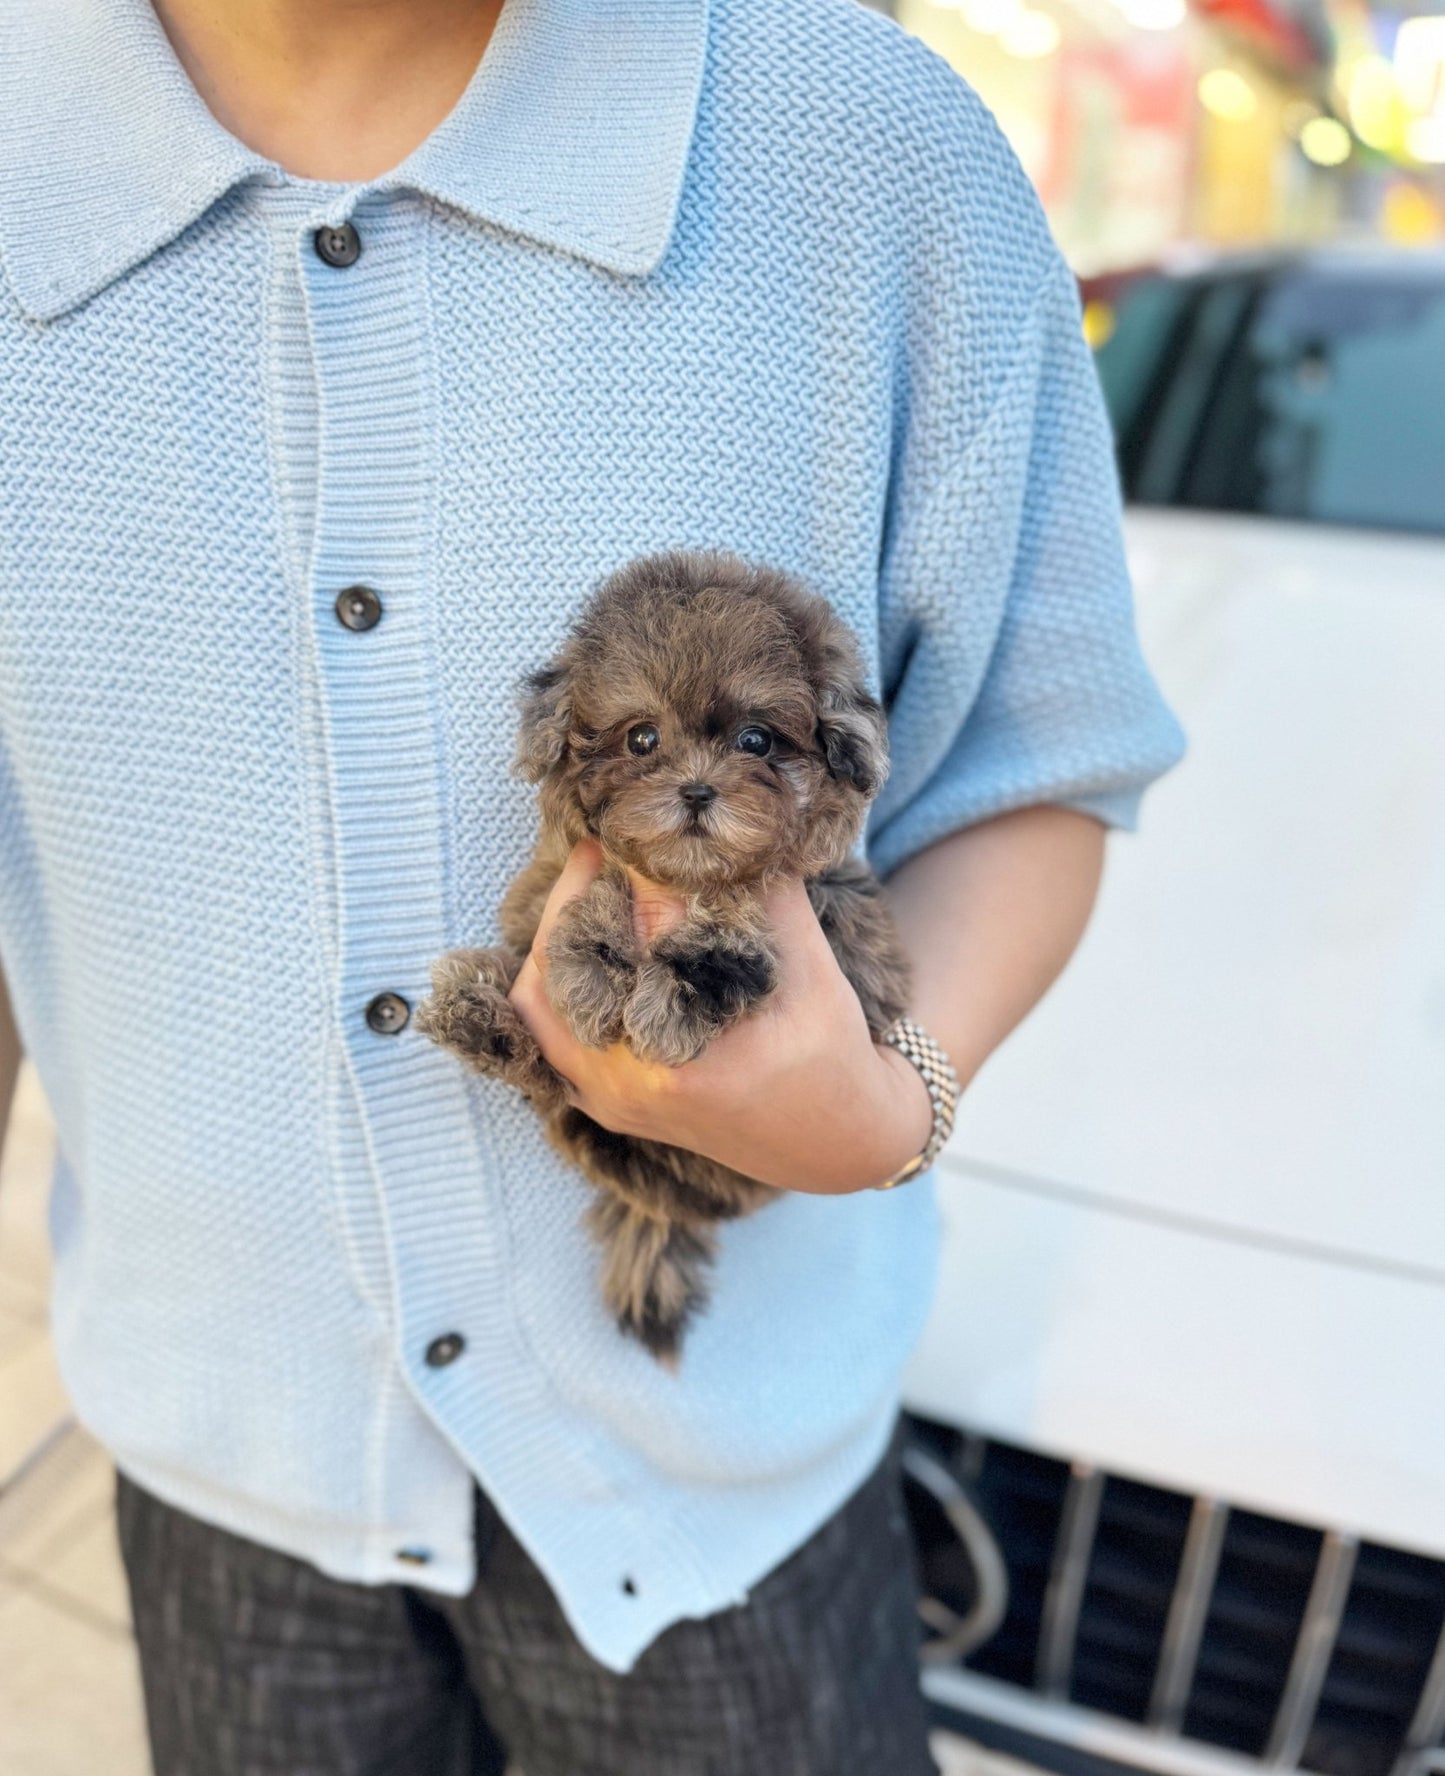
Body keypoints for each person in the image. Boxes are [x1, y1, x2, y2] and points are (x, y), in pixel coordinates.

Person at [0, 0, 1185, 1771]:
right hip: (218, 1461)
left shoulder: (864, 147)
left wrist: (888, 1098)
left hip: (729, 1503)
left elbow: (1040, 758)